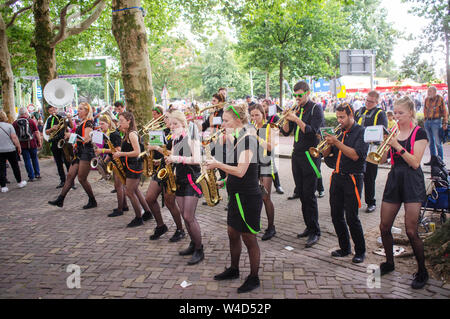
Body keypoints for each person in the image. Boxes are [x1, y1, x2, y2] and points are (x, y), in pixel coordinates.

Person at [206, 104, 262, 293]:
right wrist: (224, 182)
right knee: (232, 232)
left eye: (226, 120)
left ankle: (254, 277)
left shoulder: (249, 140)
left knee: (249, 237)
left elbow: (240, 170)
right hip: (236, 194)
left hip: (248, 197)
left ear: (238, 120)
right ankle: (234, 269)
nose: (223, 124)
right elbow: (235, 169)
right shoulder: (239, 138)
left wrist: (217, 165)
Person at [378, 96, 430, 289]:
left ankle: (422, 271)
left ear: (410, 113)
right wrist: (383, 146)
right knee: (384, 226)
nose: (396, 116)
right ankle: (390, 263)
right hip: (394, 179)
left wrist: (397, 146)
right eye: (395, 112)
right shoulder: (393, 132)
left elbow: (415, 162)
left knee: (410, 230)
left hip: (411, 180)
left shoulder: (420, 132)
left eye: (400, 113)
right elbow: (382, 160)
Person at [323, 103, 368, 263]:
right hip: (337, 177)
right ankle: (344, 248)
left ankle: (360, 251)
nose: (339, 120)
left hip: (353, 178)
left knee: (352, 217)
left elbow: (356, 155)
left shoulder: (361, 132)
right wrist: (327, 143)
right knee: (336, 215)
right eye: (337, 117)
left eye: (342, 117)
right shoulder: (339, 133)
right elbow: (326, 154)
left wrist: (336, 142)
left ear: (351, 115)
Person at [281, 81, 324, 248]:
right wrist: (286, 119)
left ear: (307, 93)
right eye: (295, 95)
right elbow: (285, 131)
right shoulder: (297, 109)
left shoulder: (316, 108)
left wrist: (296, 119)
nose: (297, 98)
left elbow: (312, 131)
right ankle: (309, 226)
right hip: (296, 155)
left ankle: (315, 231)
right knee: (301, 194)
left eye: (300, 95)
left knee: (309, 194)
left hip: (310, 156)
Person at [165, 110, 204, 265]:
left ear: (183, 123)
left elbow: (197, 159)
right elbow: (175, 158)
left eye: (176, 123)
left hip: (192, 179)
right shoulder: (175, 139)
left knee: (189, 216)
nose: (172, 126)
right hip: (180, 179)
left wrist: (175, 158)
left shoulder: (191, 137)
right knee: (183, 215)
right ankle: (193, 244)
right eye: (171, 123)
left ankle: (200, 249)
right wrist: (169, 161)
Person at [144, 106, 186, 242]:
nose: (165, 120)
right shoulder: (162, 132)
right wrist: (156, 157)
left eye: (167, 117)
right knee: (149, 198)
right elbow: (160, 152)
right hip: (162, 168)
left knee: (169, 202)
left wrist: (156, 148)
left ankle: (180, 229)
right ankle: (161, 225)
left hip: (174, 170)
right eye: (166, 118)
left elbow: (172, 153)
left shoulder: (177, 134)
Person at [48, 102, 97, 209]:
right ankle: (60, 200)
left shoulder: (88, 123)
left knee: (81, 179)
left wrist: (72, 135)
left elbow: (87, 139)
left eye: (80, 109)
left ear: (86, 111)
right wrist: (69, 137)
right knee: (70, 176)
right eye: (78, 109)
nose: (78, 111)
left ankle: (92, 200)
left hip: (86, 153)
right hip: (79, 152)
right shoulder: (81, 122)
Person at [113, 111, 153, 227]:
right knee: (135, 190)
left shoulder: (132, 134)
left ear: (129, 121)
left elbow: (137, 152)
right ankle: (147, 212)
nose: (119, 123)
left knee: (129, 192)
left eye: (122, 121)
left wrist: (121, 154)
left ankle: (138, 217)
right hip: (132, 165)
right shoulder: (128, 133)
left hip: (134, 166)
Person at [355, 90, 388, 213]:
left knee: (369, 177)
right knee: (356, 176)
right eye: (367, 100)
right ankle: (354, 201)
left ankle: (371, 202)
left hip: (372, 149)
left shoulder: (380, 113)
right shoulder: (359, 111)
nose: (367, 103)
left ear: (377, 102)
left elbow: (383, 130)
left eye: (371, 101)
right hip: (358, 148)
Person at [249, 104, 278, 240]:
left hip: (266, 163)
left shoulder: (269, 127)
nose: (254, 118)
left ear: (263, 114)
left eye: (257, 115)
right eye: (252, 115)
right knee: (255, 196)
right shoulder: (250, 127)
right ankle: (255, 224)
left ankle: (271, 227)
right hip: (253, 165)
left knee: (265, 197)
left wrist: (256, 136)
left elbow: (271, 147)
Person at [93, 114, 129, 217]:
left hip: (119, 161)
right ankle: (124, 205)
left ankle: (120, 209)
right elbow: (111, 150)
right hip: (113, 160)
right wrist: (104, 160)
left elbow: (118, 149)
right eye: (99, 124)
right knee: (119, 185)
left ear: (108, 123)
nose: (100, 126)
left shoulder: (113, 134)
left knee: (118, 186)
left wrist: (102, 150)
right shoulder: (106, 134)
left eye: (102, 124)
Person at [44, 105, 73, 188]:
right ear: (49, 112)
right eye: (50, 110)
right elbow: (46, 132)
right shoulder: (49, 119)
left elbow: (71, 126)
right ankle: (62, 181)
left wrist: (70, 118)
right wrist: (52, 129)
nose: (53, 111)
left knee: (67, 162)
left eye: (54, 109)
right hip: (54, 143)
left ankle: (71, 182)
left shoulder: (62, 117)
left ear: (56, 109)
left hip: (63, 143)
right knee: (58, 163)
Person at [0, 111, 27, 192]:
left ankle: (3, 186)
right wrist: (19, 147)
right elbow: (14, 138)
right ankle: (19, 182)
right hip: (10, 149)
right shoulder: (9, 126)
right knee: (15, 166)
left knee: (1, 168)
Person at [262, 99, 284, 194]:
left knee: (272, 165)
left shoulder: (275, 117)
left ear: (269, 106)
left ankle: (278, 185)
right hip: (261, 143)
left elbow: (279, 129)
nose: (263, 107)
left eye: (265, 106)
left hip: (270, 144)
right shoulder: (261, 116)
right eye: (262, 106)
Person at [13, 107, 41, 182]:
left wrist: (16, 145)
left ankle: (31, 176)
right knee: (34, 159)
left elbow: (14, 135)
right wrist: (39, 142)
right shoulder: (31, 121)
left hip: (22, 145)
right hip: (32, 143)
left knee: (27, 160)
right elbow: (37, 132)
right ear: (26, 113)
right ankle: (37, 174)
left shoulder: (15, 123)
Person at [423, 86, 448, 164]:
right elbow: (424, 109)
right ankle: (433, 159)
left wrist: (445, 122)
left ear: (434, 92)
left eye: (430, 91)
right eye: (428, 91)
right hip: (428, 121)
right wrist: (425, 120)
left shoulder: (439, 98)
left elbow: (444, 111)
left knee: (438, 142)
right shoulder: (426, 99)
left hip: (436, 121)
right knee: (431, 142)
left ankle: (440, 160)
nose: (428, 93)